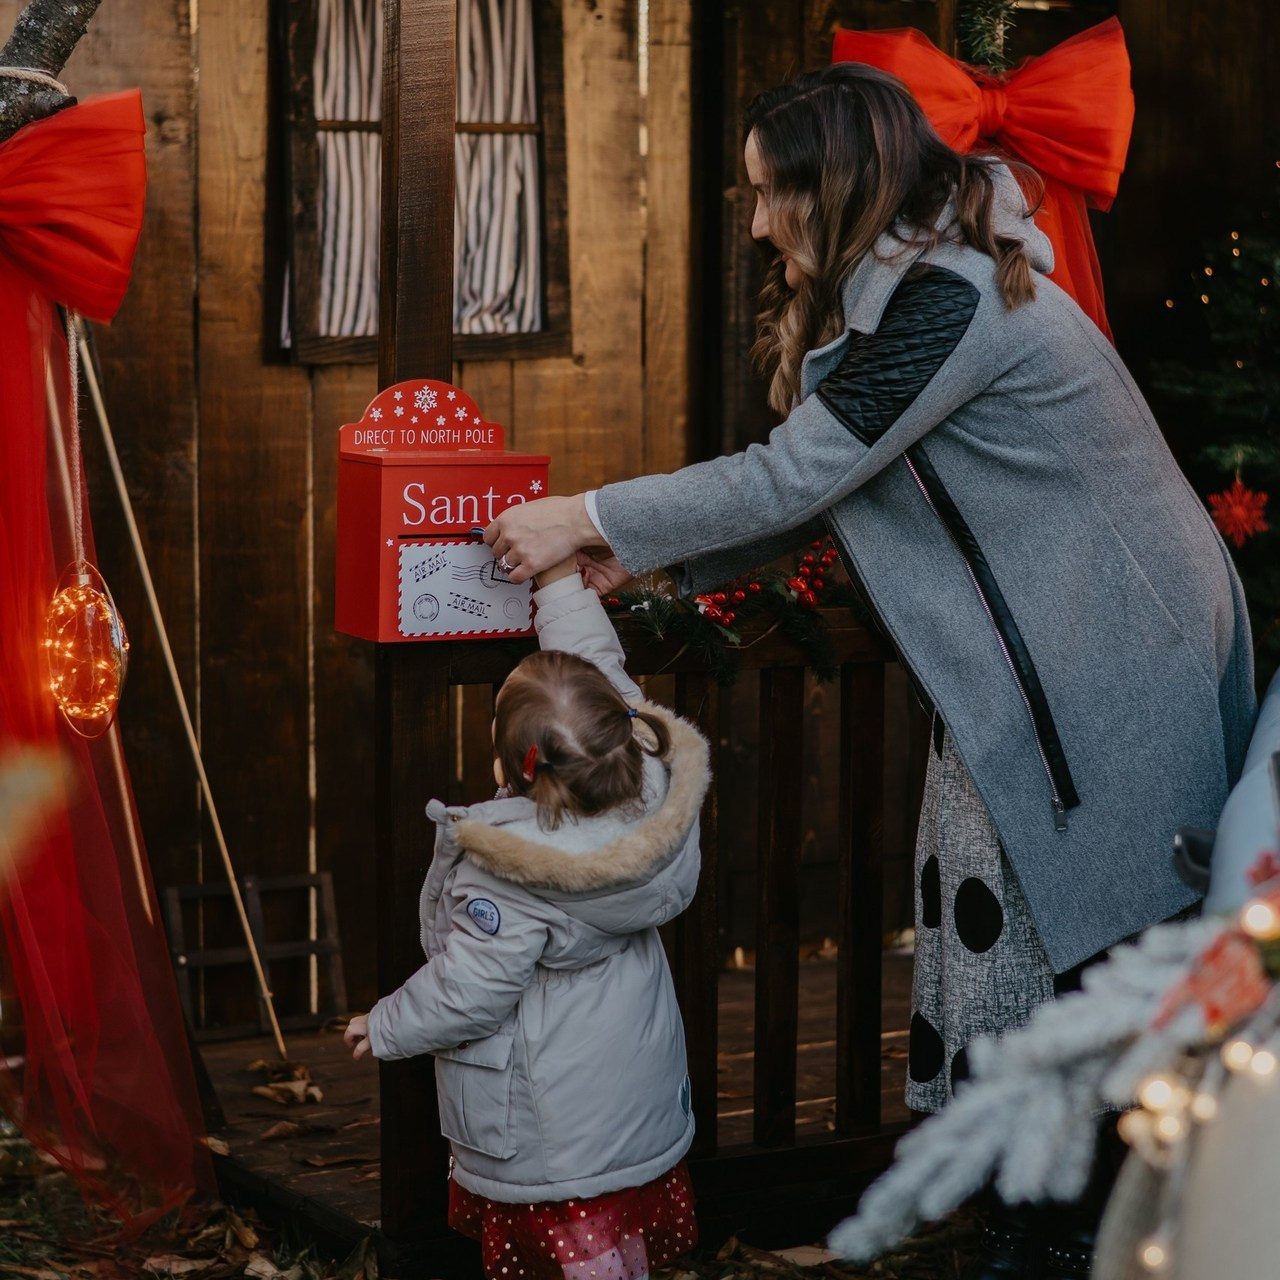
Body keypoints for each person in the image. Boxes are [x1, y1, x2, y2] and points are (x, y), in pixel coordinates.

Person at [483, 62, 1258, 1276]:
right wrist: (628, 563)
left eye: (764, 194)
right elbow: (815, 491)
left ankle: (1064, 1224)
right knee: (1030, 932)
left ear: (830, 188)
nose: (750, 224)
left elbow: (793, 476)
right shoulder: (919, 290)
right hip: (1056, 652)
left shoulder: (949, 300)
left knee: (1084, 937)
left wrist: (584, 510)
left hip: (1107, 653)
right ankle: (1044, 1210)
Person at [344, 555, 708, 1280]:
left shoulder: (510, 868)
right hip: (627, 1104)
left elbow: (469, 989)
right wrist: (558, 585)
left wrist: (384, 1024)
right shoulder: (653, 783)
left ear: (512, 770)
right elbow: (600, 669)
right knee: (612, 1250)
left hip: (551, 1124)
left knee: (575, 1263)